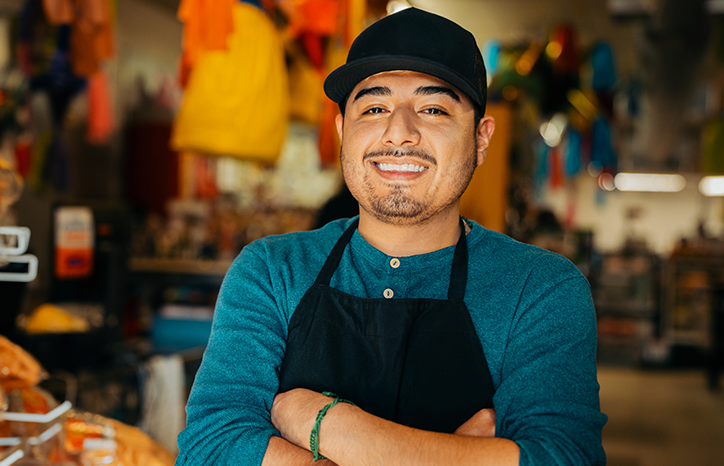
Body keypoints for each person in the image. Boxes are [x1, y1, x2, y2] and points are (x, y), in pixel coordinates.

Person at [175, 7, 607, 466]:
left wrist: (321, 420)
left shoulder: (540, 290)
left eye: (433, 108)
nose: (399, 133)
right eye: (374, 108)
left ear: (481, 139)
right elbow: (209, 448)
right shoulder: (270, 271)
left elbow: (561, 458)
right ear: (343, 130)